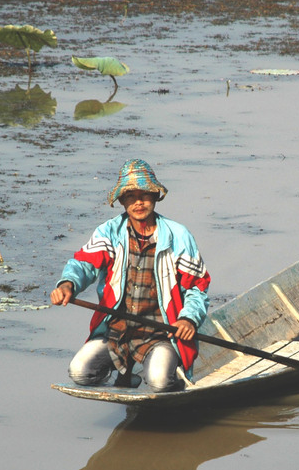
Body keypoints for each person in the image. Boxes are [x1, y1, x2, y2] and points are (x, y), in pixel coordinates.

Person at [51, 159, 211, 392]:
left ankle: (171, 379)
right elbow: (83, 265)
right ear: (121, 201)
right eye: (130, 196)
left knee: (159, 382)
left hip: (162, 335)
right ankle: (128, 374)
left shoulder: (178, 236)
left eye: (145, 195)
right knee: (80, 372)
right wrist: (67, 284)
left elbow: (197, 287)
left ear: (156, 196)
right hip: (117, 332)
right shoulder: (109, 232)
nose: (138, 202)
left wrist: (188, 319)